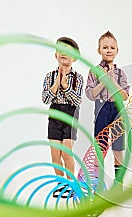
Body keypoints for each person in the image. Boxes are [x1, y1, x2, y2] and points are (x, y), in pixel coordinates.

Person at [85, 31, 130, 187]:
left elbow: (125, 96)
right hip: (101, 109)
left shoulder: (121, 73)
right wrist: (103, 82)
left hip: (118, 110)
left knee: (118, 148)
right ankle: (98, 183)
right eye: (105, 47)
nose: (109, 50)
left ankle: (119, 185)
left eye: (112, 47)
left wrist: (112, 81)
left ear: (117, 51)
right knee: (100, 147)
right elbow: (90, 94)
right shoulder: (94, 71)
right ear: (99, 50)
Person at [42, 37, 84, 198]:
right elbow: (45, 99)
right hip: (54, 113)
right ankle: (61, 183)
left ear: (74, 58)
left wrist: (65, 86)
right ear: (56, 55)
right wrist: (56, 84)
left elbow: (77, 100)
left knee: (66, 152)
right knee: (55, 154)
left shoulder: (77, 78)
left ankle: (71, 183)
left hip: (70, 114)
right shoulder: (49, 76)